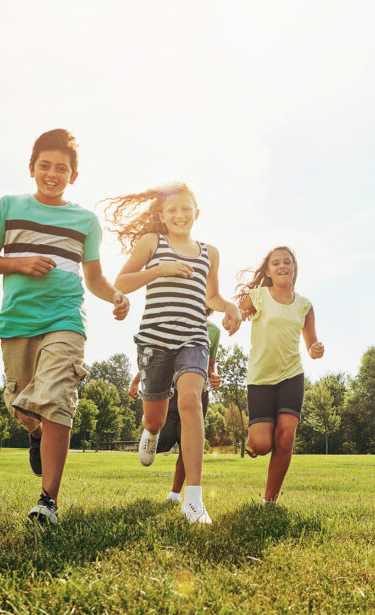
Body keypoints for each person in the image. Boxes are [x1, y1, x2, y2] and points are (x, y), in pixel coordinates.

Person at [0, 129, 129, 526]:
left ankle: (48, 502)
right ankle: (35, 432)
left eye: (62, 168)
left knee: (58, 397)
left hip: (65, 319)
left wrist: (114, 295)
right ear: (32, 168)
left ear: (73, 176)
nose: (52, 173)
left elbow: (94, 278)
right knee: (21, 403)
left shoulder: (84, 221)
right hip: (17, 322)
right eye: (45, 165)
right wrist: (19, 263)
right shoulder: (8, 207)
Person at [103, 182, 241, 524]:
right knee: (156, 418)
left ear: (197, 213)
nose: (179, 215)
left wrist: (231, 307)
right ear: (162, 215)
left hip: (193, 338)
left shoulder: (210, 252)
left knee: (192, 400)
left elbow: (211, 298)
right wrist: (160, 269)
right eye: (172, 210)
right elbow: (121, 283)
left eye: (186, 209)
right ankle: (150, 433)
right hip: (155, 339)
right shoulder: (153, 242)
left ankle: (193, 499)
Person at [236, 246, 323, 505]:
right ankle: (263, 435)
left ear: (294, 268)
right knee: (261, 445)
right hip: (261, 378)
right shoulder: (258, 295)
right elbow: (237, 315)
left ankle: (270, 500)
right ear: (268, 271)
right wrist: (232, 321)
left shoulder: (305, 306)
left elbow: (311, 345)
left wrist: (315, 349)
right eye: (276, 263)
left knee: (286, 436)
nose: (283, 266)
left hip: (291, 375)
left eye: (287, 262)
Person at [128, 311, 221, 504]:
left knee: (189, 442)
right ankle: (151, 430)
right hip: (173, 390)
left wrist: (214, 375)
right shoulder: (177, 319)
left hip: (198, 392)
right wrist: (137, 381)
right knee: (165, 438)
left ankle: (175, 493)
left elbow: (211, 364)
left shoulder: (213, 331)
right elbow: (160, 359)